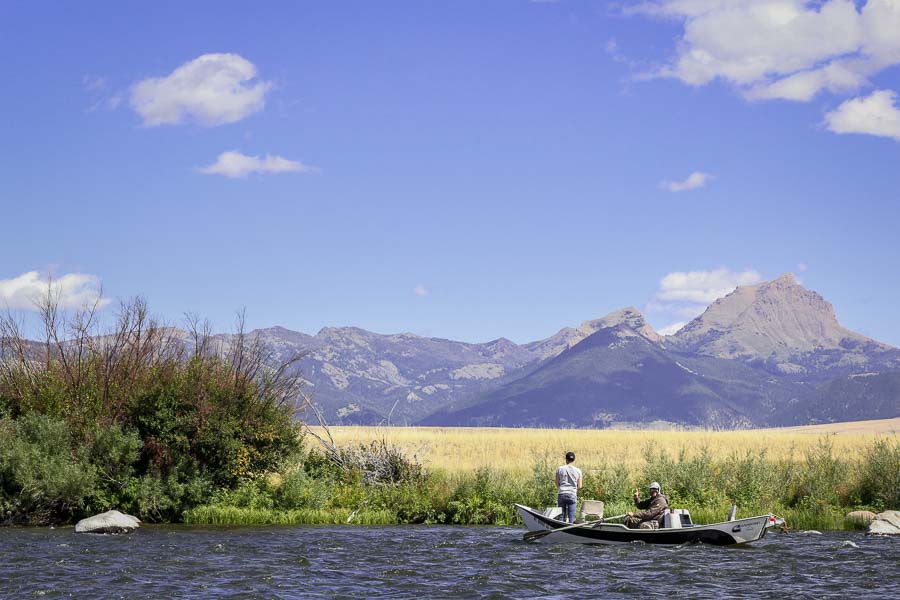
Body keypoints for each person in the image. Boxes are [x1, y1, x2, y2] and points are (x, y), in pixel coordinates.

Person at [555, 451, 583, 523]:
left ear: (566, 459)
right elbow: (580, 486)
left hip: (562, 493)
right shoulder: (578, 471)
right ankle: (571, 532)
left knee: (561, 516)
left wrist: (561, 488)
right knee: (572, 518)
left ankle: (560, 532)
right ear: (574, 460)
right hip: (572, 494)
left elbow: (557, 483)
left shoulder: (560, 469)